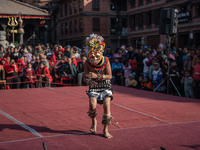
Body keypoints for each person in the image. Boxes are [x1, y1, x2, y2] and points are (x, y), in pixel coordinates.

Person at [83, 33, 113, 138]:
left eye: (96, 55)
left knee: (106, 105)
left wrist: (98, 76)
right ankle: (94, 121)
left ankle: (105, 129)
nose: (94, 58)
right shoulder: (87, 63)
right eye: (92, 56)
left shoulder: (106, 60)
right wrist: (89, 81)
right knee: (92, 105)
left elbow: (109, 76)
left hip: (105, 85)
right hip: (94, 86)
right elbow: (85, 78)